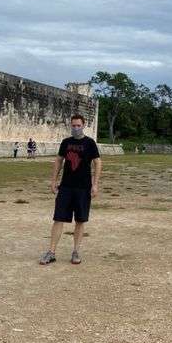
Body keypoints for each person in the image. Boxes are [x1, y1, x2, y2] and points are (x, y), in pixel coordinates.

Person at [40, 114, 102, 266]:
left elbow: (98, 163)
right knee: (58, 219)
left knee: (80, 220)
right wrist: (54, 180)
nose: (75, 128)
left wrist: (95, 184)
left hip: (83, 188)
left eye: (78, 125)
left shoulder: (90, 143)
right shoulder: (66, 142)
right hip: (66, 186)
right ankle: (51, 252)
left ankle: (75, 251)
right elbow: (59, 160)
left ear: (83, 125)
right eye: (73, 125)